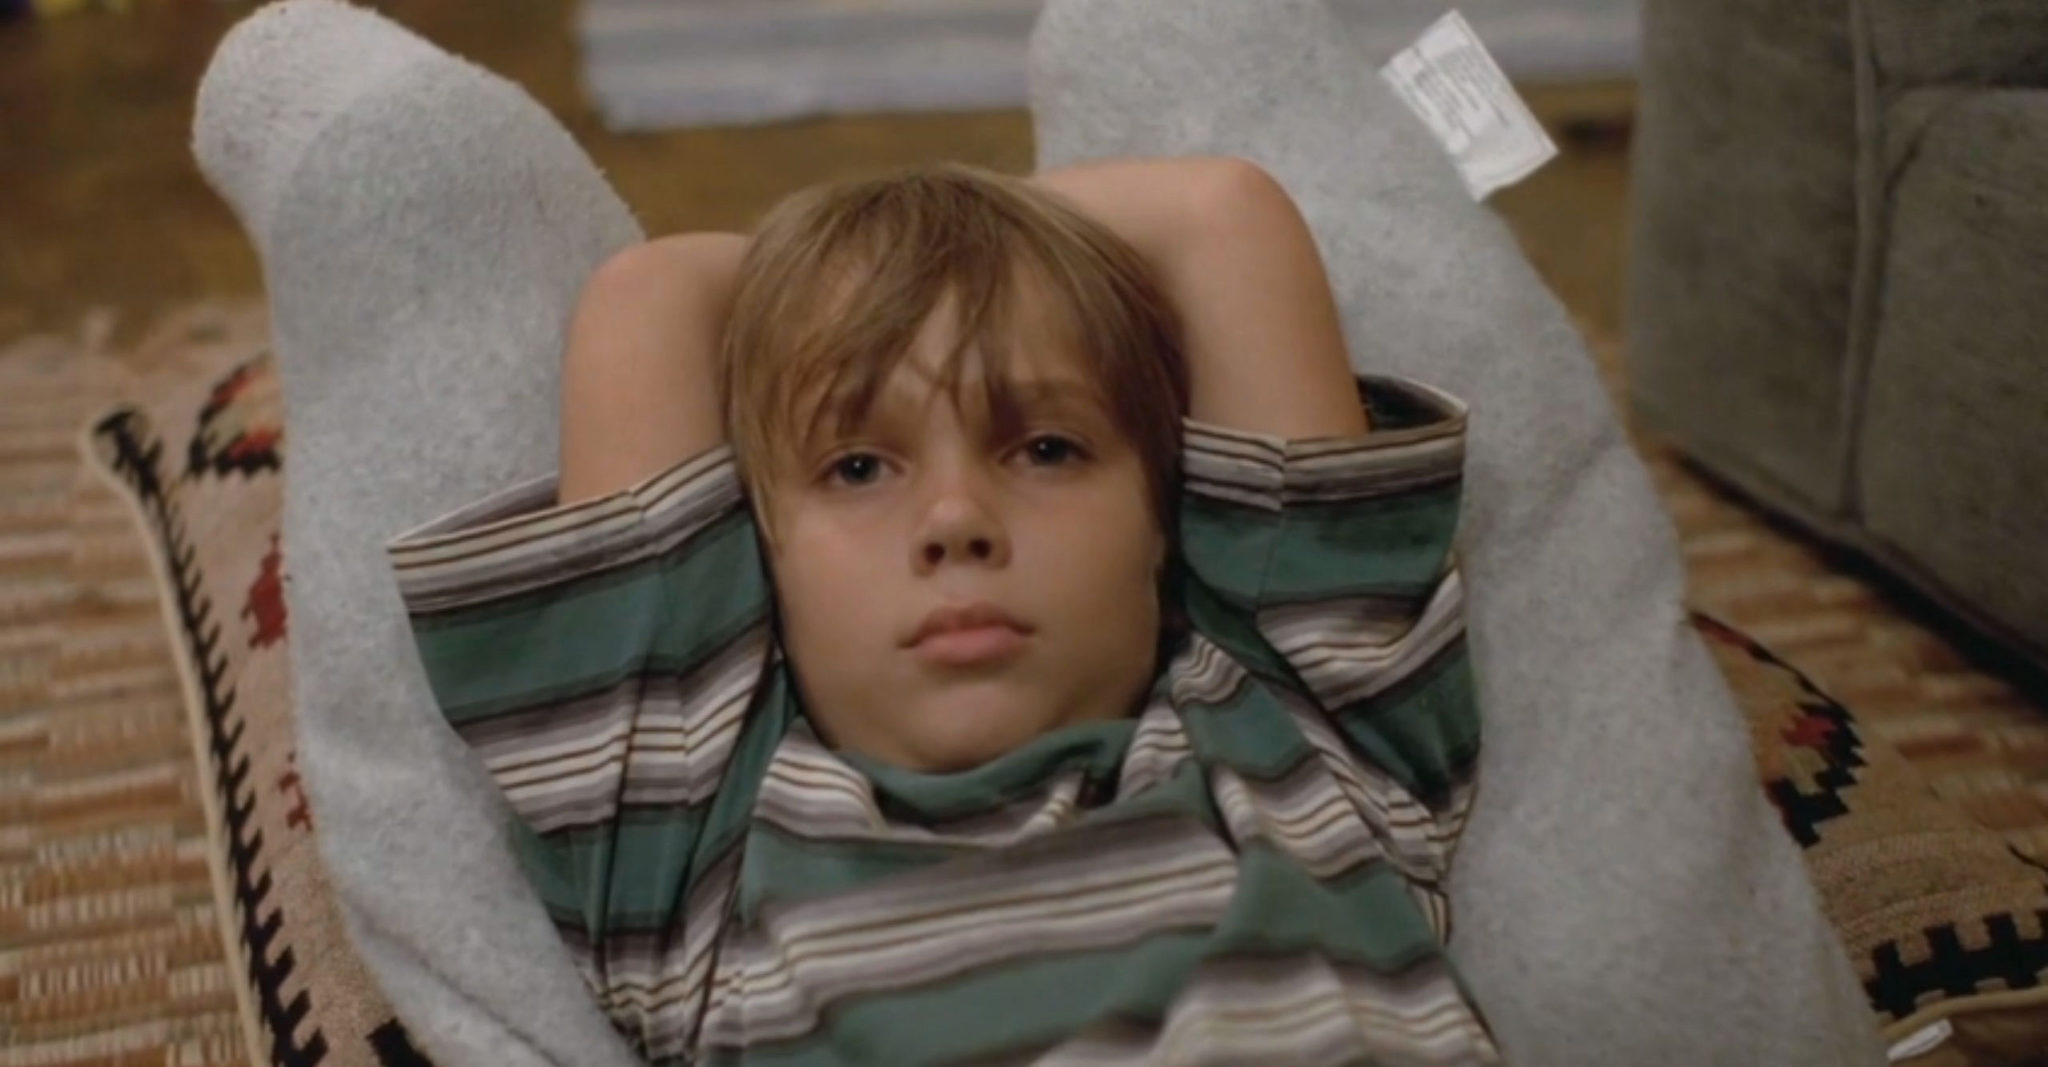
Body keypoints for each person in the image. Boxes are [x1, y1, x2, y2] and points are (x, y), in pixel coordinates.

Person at [385, 155, 1495, 1065]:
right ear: (755, 556)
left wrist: (956, 243)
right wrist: (861, 258)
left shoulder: (1302, 739)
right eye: (858, 466)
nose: (956, 518)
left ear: (1165, 518)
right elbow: (649, 299)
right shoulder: (698, 860)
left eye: (1047, 447)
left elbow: (1220, 217)